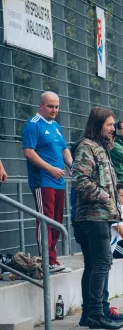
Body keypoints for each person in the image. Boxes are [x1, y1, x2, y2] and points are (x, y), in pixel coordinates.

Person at [72, 107, 122, 330]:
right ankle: (95, 314)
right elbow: (81, 181)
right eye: (110, 125)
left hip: (101, 216)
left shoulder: (101, 148)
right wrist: (105, 197)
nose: (114, 129)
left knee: (94, 264)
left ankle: (93, 312)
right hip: (93, 217)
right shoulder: (86, 146)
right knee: (101, 263)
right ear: (98, 124)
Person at [22, 91, 73, 273]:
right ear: (41, 106)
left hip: (58, 181)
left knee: (57, 221)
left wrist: (72, 165)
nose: (54, 110)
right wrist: (49, 168)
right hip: (43, 181)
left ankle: (53, 259)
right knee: (46, 219)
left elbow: (64, 149)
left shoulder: (57, 126)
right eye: (50, 106)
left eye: (57, 106)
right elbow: (28, 152)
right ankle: (47, 260)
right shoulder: (33, 125)